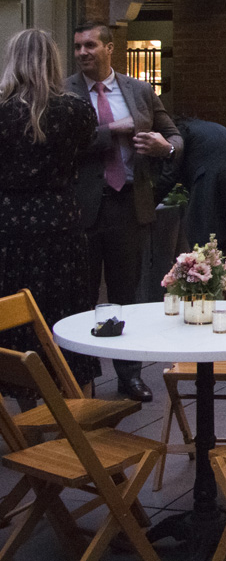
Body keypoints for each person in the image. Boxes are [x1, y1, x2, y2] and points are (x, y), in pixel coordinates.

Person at [67, 21, 183, 403]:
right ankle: (80, 379)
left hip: (129, 203)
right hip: (82, 207)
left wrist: (163, 146)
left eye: (90, 46)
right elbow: (64, 145)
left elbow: (176, 135)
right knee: (80, 296)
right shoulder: (64, 93)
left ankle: (128, 375)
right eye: (78, 47)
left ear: (109, 48)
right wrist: (112, 129)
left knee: (124, 293)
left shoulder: (139, 90)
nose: (83, 53)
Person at [0, 29, 100, 394]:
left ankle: (26, 416)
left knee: (17, 321)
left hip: (10, 224)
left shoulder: (2, 110)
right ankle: (77, 407)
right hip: (60, 220)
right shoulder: (75, 109)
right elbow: (86, 147)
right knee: (68, 315)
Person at [157, 116, 226, 254]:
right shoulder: (208, 126)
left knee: (205, 241)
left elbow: (170, 174)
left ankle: (216, 271)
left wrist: (147, 204)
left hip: (214, 182)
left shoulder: (180, 135)